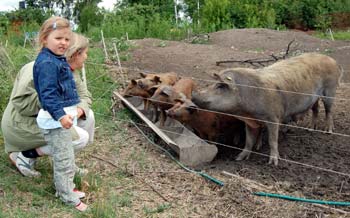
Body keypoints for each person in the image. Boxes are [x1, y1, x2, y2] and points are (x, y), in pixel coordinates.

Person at [1, 17, 92, 211]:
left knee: (85, 119)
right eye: (84, 53)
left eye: (66, 39)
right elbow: (22, 104)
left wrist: (79, 108)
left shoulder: (68, 68)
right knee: (69, 145)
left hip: (55, 117)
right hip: (22, 123)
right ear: (74, 54)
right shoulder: (43, 66)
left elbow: (84, 96)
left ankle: (67, 176)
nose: (86, 57)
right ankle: (28, 157)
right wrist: (58, 107)